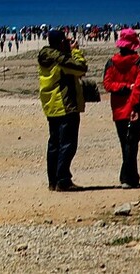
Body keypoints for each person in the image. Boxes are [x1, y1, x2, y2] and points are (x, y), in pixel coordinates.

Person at [38, 29, 88, 191]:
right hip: (65, 104)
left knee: (54, 144)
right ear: (61, 43)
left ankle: (52, 180)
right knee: (67, 144)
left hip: (51, 105)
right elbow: (81, 68)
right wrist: (75, 52)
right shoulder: (60, 59)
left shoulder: (46, 57)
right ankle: (63, 180)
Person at [102, 28, 140, 189]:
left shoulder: (111, 63)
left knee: (125, 143)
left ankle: (128, 177)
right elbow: (139, 87)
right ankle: (129, 178)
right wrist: (135, 105)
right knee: (132, 143)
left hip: (118, 108)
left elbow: (108, 84)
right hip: (135, 107)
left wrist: (121, 87)